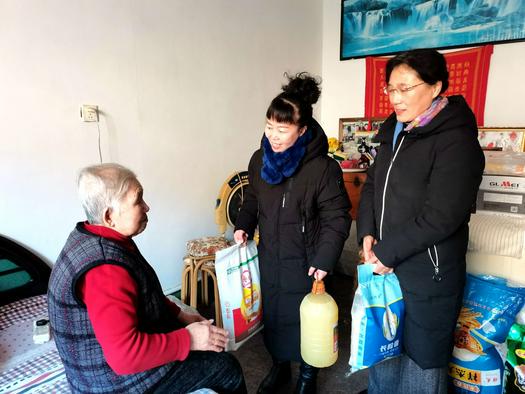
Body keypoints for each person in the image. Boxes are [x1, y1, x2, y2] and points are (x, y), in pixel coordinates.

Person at [48, 163, 247, 394]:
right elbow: (124, 357)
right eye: (138, 200)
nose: (147, 206)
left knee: (209, 345)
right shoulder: (105, 271)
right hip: (111, 382)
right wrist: (188, 340)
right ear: (109, 216)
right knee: (226, 369)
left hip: (112, 358)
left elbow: (142, 291)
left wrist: (180, 315)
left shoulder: (94, 235)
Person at [357, 49, 485, 394]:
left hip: (429, 274)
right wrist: (367, 233)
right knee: (383, 350)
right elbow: (372, 186)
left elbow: (443, 215)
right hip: (386, 265)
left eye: (406, 88)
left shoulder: (456, 140)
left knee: (420, 362)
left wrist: (388, 253)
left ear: (436, 86)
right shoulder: (393, 131)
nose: (396, 98)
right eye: (391, 89)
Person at [234, 72, 351, 394]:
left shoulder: (322, 169)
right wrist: (243, 226)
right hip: (270, 255)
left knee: (308, 320)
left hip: (307, 260)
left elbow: (337, 216)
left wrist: (325, 257)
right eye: (269, 127)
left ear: (302, 131)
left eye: (282, 130)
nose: (273, 135)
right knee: (274, 315)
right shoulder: (260, 161)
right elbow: (253, 199)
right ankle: (280, 366)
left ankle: (307, 376)